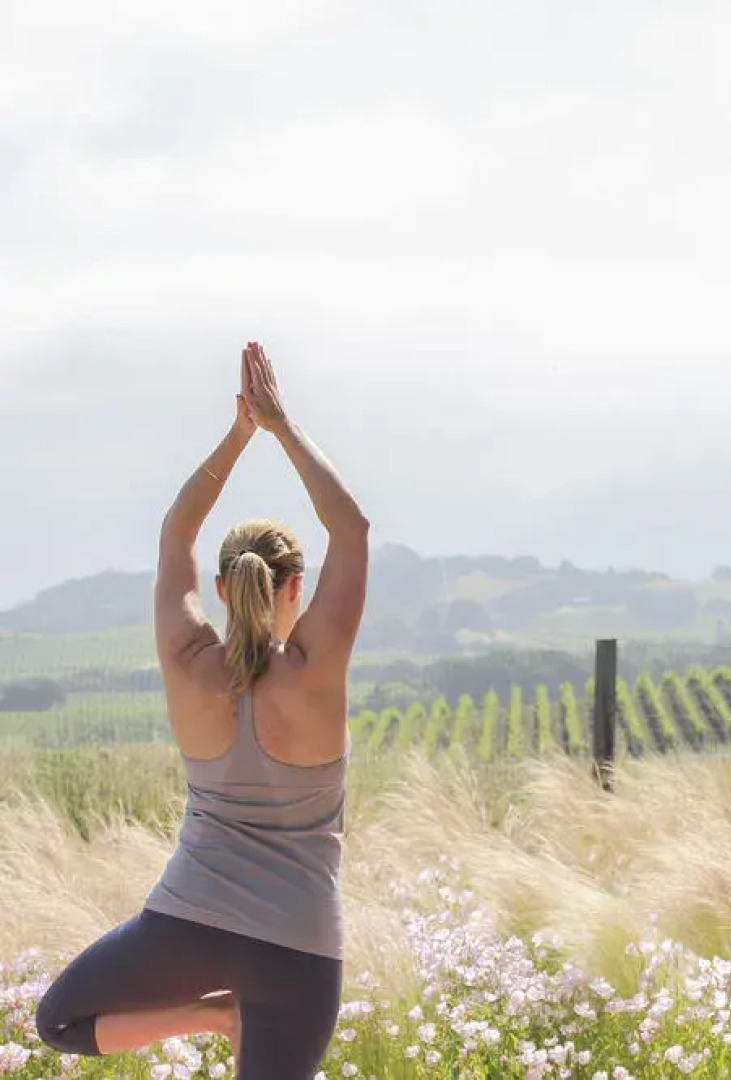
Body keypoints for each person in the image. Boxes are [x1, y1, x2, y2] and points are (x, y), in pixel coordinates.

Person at [35, 343, 370, 1079]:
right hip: (300, 947)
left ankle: (218, 1016)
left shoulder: (188, 661)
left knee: (56, 1021)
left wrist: (239, 434)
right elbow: (352, 528)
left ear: (221, 588)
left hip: (185, 927)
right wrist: (281, 426)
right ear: (295, 588)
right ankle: (230, 1015)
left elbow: (176, 534)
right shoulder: (315, 673)